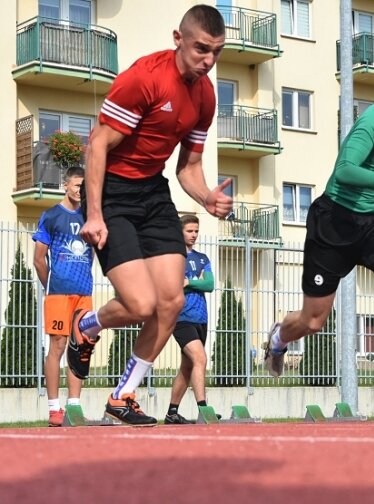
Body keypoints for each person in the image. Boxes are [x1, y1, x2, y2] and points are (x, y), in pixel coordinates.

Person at [67, 5, 232, 426]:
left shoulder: (206, 95)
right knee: (141, 304)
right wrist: (96, 214)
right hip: (114, 192)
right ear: (179, 39)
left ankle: (121, 396)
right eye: (201, 49)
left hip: (154, 192)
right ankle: (86, 325)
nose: (208, 61)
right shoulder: (145, 78)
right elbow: (97, 146)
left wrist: (206, 196)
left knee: (172, 301)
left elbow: (188, 168)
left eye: (216, 52)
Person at [264, 60, 374, 398]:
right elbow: (345, 170)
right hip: (334, 221)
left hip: (372, 223)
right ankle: (278, 338)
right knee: (313, 321)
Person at [32, 167, 93, 427]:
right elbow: (38, 259)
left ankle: (74, 407)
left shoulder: (91, 217)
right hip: (58, 293)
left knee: (81, 348)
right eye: (77, 185)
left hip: (85, 293)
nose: (81, 190)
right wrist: (51, 286)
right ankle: (54, 408)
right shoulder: (51, 216)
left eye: (84, 186)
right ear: (65, 185)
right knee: (57, 346)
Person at [165, 215, 214, 424]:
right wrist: (196, 281)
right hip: (181, 318)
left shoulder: (202, 258)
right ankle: (203, 409)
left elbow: (209, 284)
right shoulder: (172, 258)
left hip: (201, 318)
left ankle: (171, 413)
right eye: (189, 231)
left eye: (196, 231)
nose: (194, 235)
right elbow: (172, 283)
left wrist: (189, 282)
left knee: (187, 367)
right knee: (200, 359)